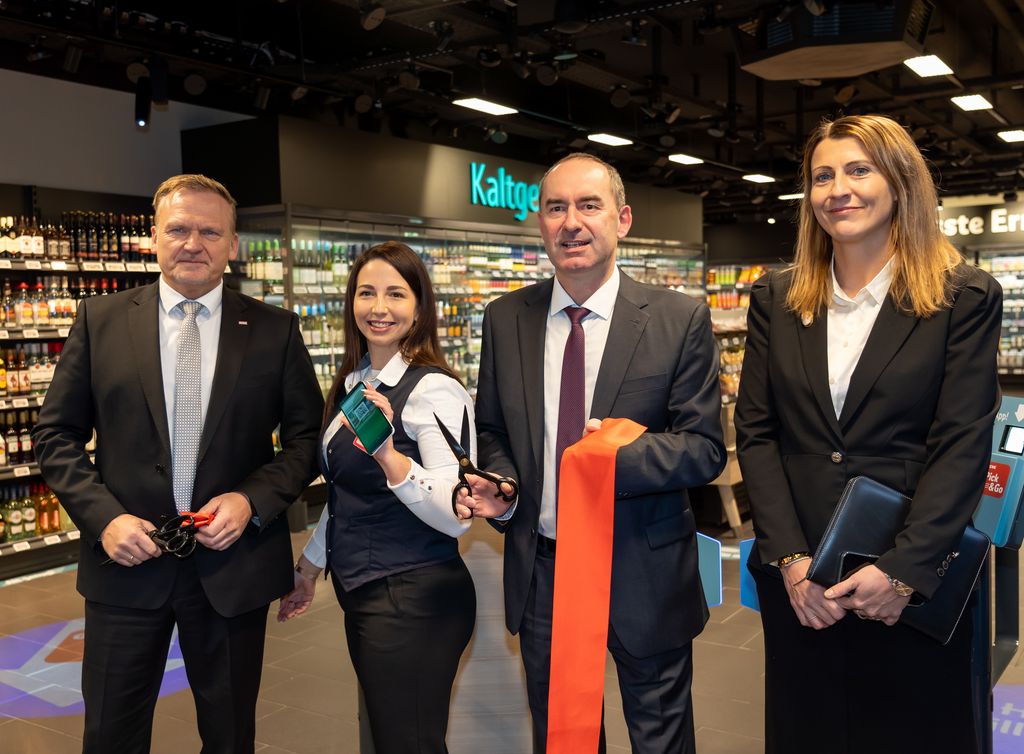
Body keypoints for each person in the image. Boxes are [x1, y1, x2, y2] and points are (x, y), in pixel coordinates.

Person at [734, 114, 1001, 754]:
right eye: (822, 175)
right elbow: (758, 431)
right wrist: (792, 561)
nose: (837, 189)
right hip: (803, 586)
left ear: (901, 182)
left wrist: (904, 571)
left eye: (859, 170)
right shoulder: (777, 295)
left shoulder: (962, 296)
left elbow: (960, 443)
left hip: (908, 583)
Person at [32, 174, 324, 754]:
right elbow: (56, 434)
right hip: (126, 566)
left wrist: (251, 501)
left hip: (232, 568)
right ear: (154, 238)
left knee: (230, 733)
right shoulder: (101, 320)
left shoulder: (274, 329)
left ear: (233, 244)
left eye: (211, 231)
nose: (195, 242)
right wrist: (104, 518)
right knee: (111, 734)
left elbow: (305, 440)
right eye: (180, 229)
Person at [465, 152, 726, 753]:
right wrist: (503, 485)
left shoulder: (677, 319)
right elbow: (494, 429)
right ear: (540, 223)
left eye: (588, 205)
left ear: (622, 219)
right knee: (563, 736)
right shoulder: (506, 319)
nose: (571, 222)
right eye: (555, 208)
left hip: (643, 564)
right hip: (546, 569)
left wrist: (606, 457)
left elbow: (704, 448)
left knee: (660, 734)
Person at [276, 240, 477, 754]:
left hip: (414, 599)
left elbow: (457, 515)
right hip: (368, 594)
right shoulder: (356, 382)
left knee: (407, 741)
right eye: (367, 293)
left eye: (396, 294)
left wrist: (390, 456)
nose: (379, 308)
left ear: (420, 307)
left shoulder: (433, 390)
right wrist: (311, 565)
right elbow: (348, 495)